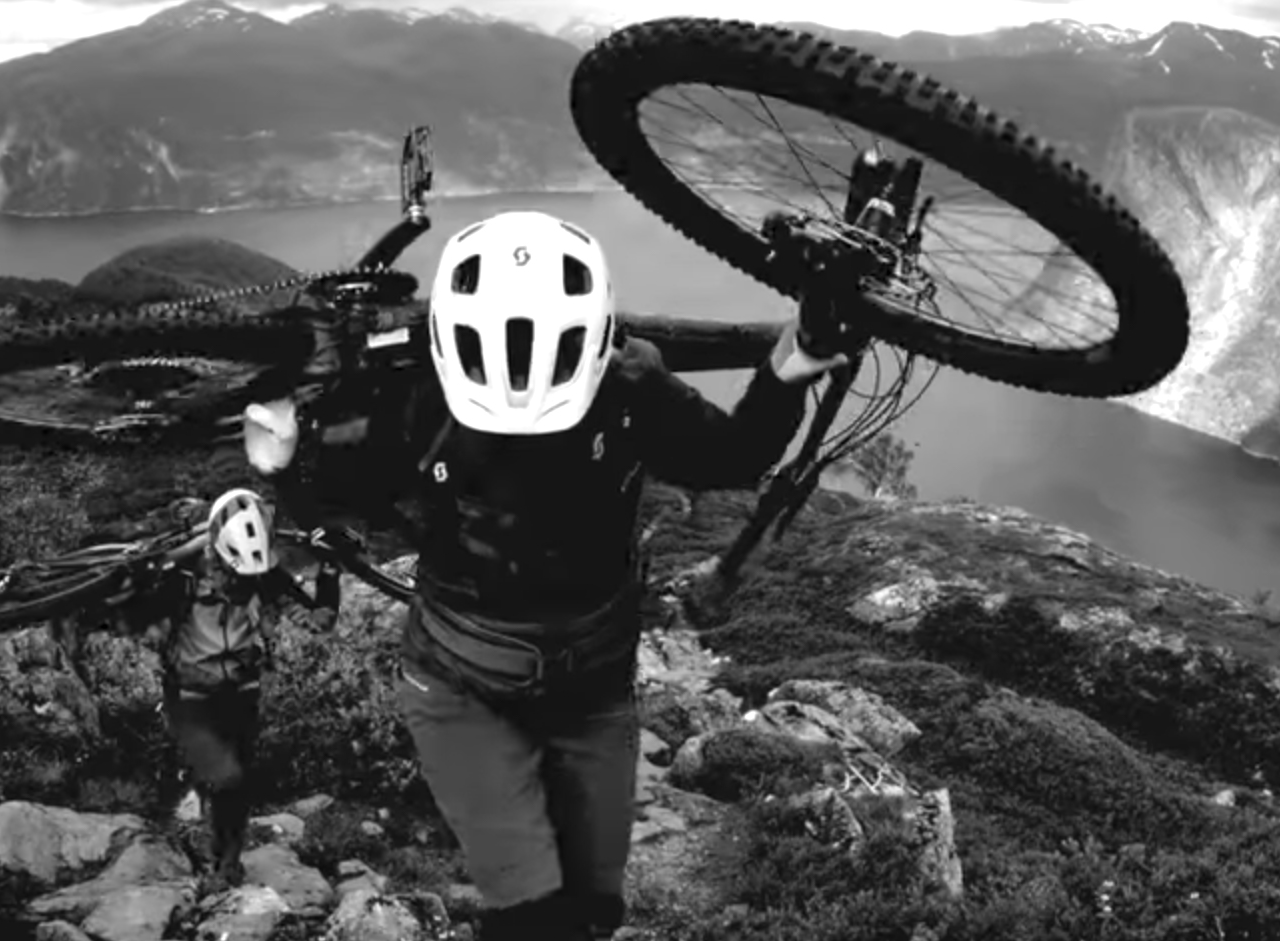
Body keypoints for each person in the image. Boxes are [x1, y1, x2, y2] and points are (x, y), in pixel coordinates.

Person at [240, 209, 858, 940]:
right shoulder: (423, 402)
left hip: (589, 693)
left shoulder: (623, 389)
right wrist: (290, 453)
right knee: (533, 919)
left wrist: (800, 355)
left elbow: (731, 457)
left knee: (594, 910)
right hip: (461, 696)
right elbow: (332, 499)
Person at [57, 487, 340, 892]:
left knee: (238, 783)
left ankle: (226, 858)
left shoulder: (263, 570)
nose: (243, 584)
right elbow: (126, 613)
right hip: (189, 697)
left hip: (243, 692)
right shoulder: (182, 571)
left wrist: (330, 572)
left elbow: (319, 622)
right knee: (226, 778)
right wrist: (104, 601)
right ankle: (206, 855)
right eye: (235, 575)